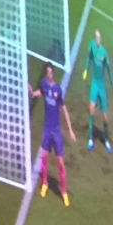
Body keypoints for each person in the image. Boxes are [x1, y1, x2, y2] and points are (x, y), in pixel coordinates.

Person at [31, 63, 74, 205]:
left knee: (60, 162)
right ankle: (44, 183)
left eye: (50, 72)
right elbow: (40, 92)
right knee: (44, 157)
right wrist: (32, 92)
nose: (48, 74)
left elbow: (64, 109)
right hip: (47, 129)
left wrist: (70, 130)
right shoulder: (44, 84)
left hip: (56, 131)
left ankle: (64, 192)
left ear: (53, 73)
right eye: (47, 72)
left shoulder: (57, 90)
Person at [80, 30, 113, 152]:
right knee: (91, 110)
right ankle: (90, 139)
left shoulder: (104, 52)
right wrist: (85, 70)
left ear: (101, 39)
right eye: (96, 38)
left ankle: (106, 140)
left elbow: (109, 70)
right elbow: (88, 58)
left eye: (99, 38)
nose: (97, 40)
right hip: (95, 84)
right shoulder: (92, 46)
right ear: (95, 38)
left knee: (104, 117)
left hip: (102, 87)